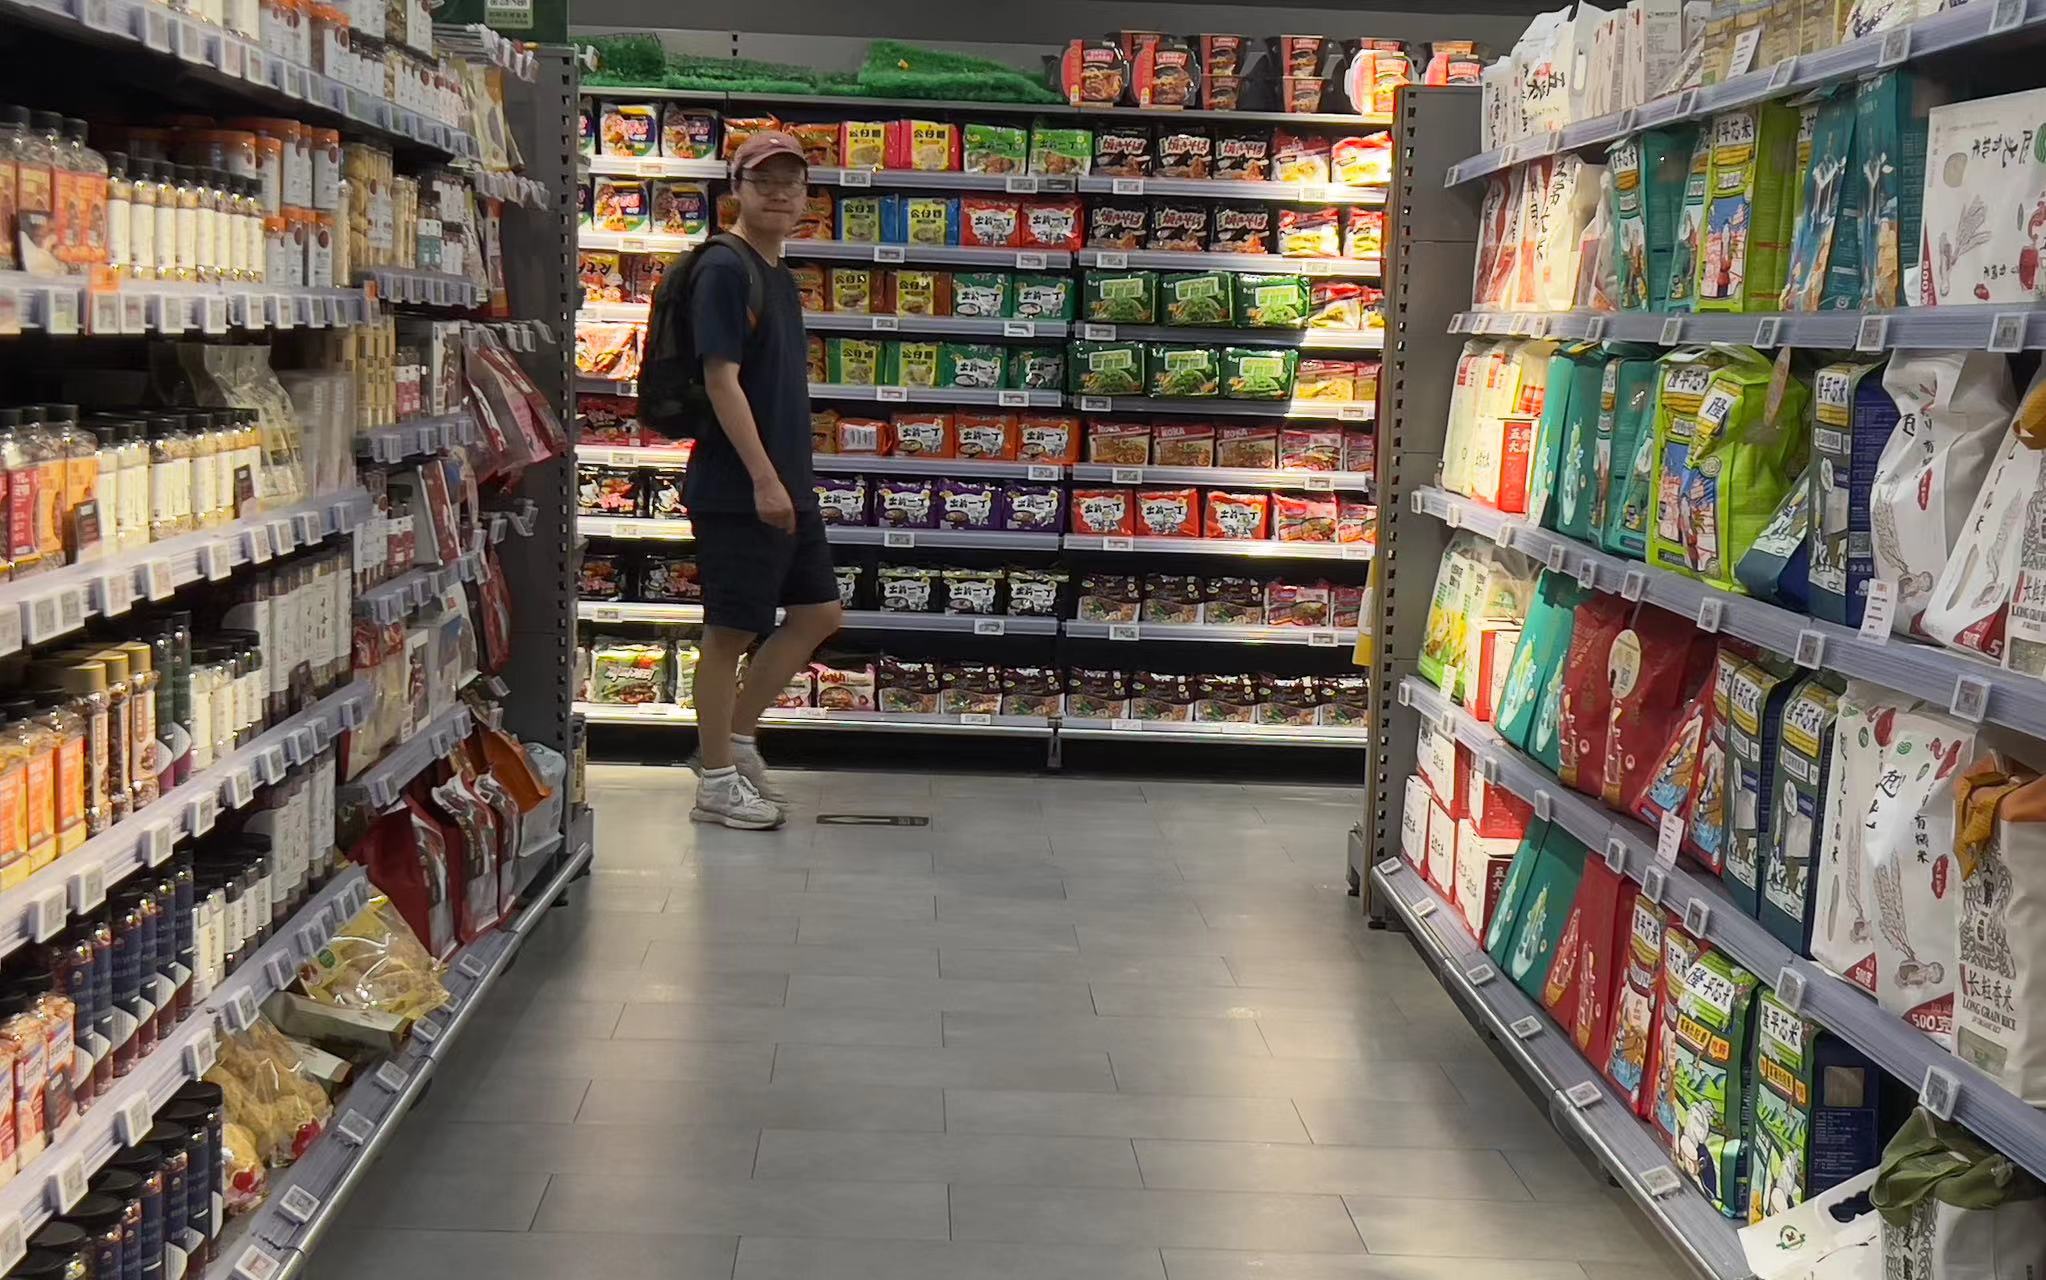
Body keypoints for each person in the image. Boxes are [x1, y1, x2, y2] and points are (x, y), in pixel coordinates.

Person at [681, 131, 842, 829]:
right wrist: (764, 479)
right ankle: (716, 784)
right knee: (729, 632)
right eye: (763, 181)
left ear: (806, 196)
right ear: (735, 191)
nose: (778, 194)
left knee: (818, 614)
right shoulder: (725, 268)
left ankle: (734, 740)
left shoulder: (775, 271)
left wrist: (789, 480)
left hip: (786, 482)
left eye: (790, 183)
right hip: (741, 485)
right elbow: (721, 381)